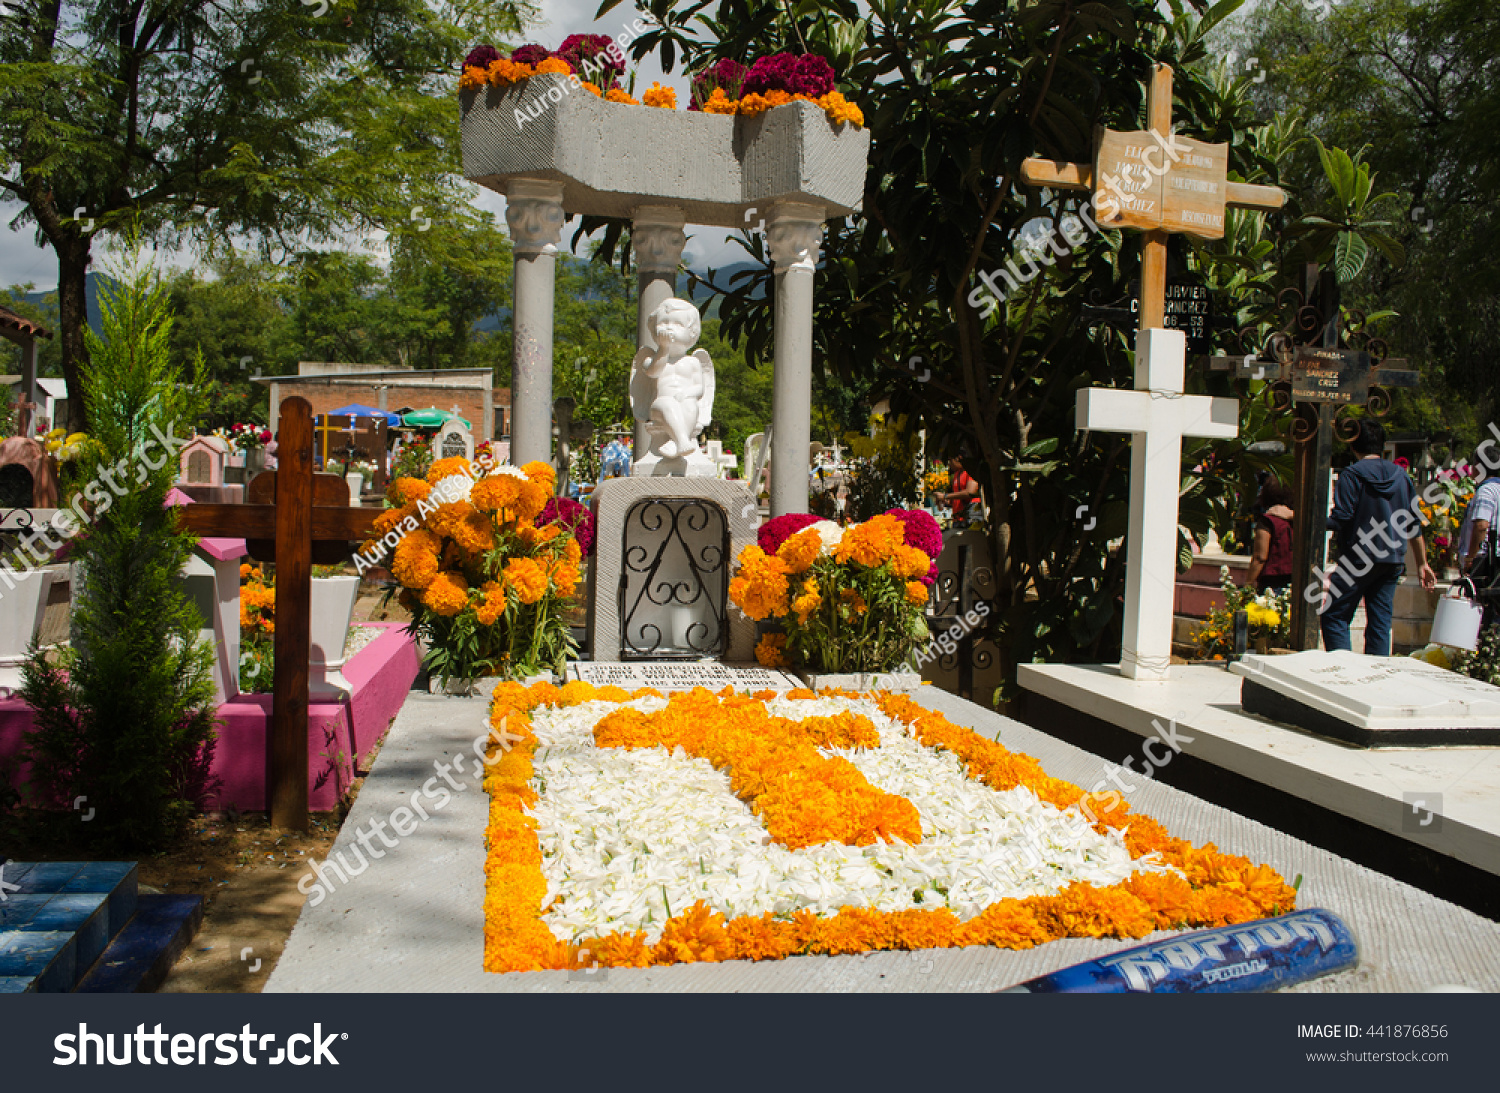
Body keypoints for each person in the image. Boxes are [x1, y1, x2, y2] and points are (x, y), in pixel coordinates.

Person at [1321, 420, 1437, 655]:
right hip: (1391, 560)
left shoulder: (1351, 475)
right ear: (1382, 446)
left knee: (1335, 617)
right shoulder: (1401, 477)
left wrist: (1305, 519)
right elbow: (1413, 523)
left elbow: (1342, 517)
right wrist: (1423, 562)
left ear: (1353, 446)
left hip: (1357, 559)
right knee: (1380, 624)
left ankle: (1343, 672)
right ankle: (1375, 677)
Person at [1244, 479, 1294, 592]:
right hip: (1294, 580)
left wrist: (1248, 584)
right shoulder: (1297, 520)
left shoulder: (1268, 521)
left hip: (1272, 581)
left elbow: (1260, 557)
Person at [942, 456, 980, 523]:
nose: (949, 464)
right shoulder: (956, 474)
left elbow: (970, 492)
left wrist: (945, 496)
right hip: (958, 517)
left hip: (971, 513)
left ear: (957, 459)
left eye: (950, 461)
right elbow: (957, 495)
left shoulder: (970, 472)